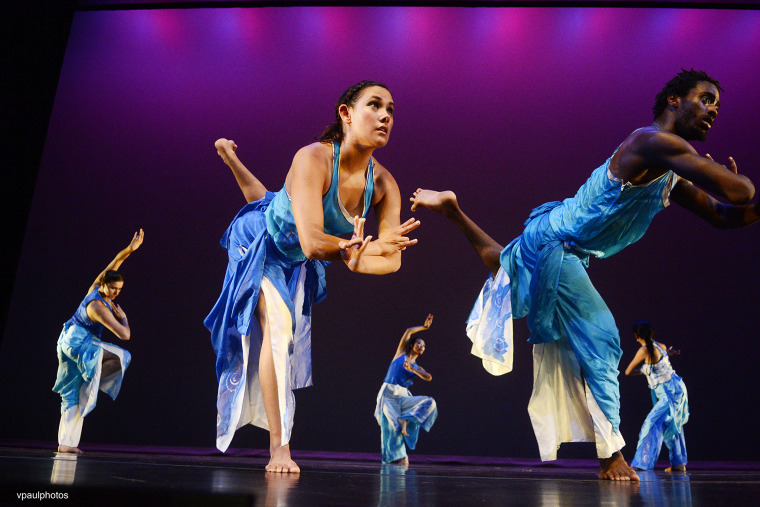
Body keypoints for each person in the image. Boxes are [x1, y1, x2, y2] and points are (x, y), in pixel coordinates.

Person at [410, 69, 759, 480]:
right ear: (674, 100)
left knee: (507, 265)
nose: (713, 110)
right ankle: (611, 458)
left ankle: (453, 210)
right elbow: (742, 192)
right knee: (604, 338)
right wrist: (732, 178)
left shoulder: (669, 170)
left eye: (717, 104)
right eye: (705, 98)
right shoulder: (653, 142)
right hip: (560, 243)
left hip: (552, 233)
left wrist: (729, 183)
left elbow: (723, 215)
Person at [205, 81, 421, 473]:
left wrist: (358, 259)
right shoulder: (312, 158)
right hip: (260, 243)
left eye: (391, 109)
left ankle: (231, 158)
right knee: (280, 330)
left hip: (295, 247)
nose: (386, 115)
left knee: (271, 200)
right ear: (345, 113)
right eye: (374, 105)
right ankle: (279, 449)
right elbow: (311, 242)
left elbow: (392, 260)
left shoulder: (385, 185)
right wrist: (352, 251)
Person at [52, 229, 143, 454]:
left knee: (71, 394)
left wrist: (129, 250)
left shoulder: (96, 287)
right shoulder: (98, 308)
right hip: (78, 342)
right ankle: (89, 379)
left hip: (66, 340)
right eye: (112, 288)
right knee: (123, 356)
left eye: (119, 289)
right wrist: (124, 317)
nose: (115, 293)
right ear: (103, 284)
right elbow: (125, 335)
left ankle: (66, 444)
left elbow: (116, 261)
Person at [624, 321, 688, 472]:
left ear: (636, 336)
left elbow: (628, 371)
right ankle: (678, 463)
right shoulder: (662, 346)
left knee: (651, 424)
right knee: (672, 424)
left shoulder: (644, 350)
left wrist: (644, 370)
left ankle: (641, 463)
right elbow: (661, 364)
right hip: (677, 388)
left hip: (669, 393)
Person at [374, 314, 438, 464]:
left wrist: (413, 369)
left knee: (430, 403)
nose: (422, 347)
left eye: (424, 346)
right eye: (419, 344)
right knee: (393, 427)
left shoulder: (417, 367)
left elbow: (428, 377)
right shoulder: (401, 353)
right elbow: (409, 331)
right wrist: (424, 327)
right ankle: (399, 458)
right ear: (411, 345)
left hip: (403, 395)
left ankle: (405, 419)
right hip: (389, 393)